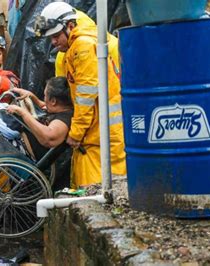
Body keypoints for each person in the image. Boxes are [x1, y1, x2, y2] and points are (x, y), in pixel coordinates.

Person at [35, 2, 126, 188]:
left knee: (94, 193)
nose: (53, 42)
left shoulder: (82, 47)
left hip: (100, 137)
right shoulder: (77, 46)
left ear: (70, 26)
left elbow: (86, 97)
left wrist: (76, 133)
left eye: (56, 36)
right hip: (99, 135)